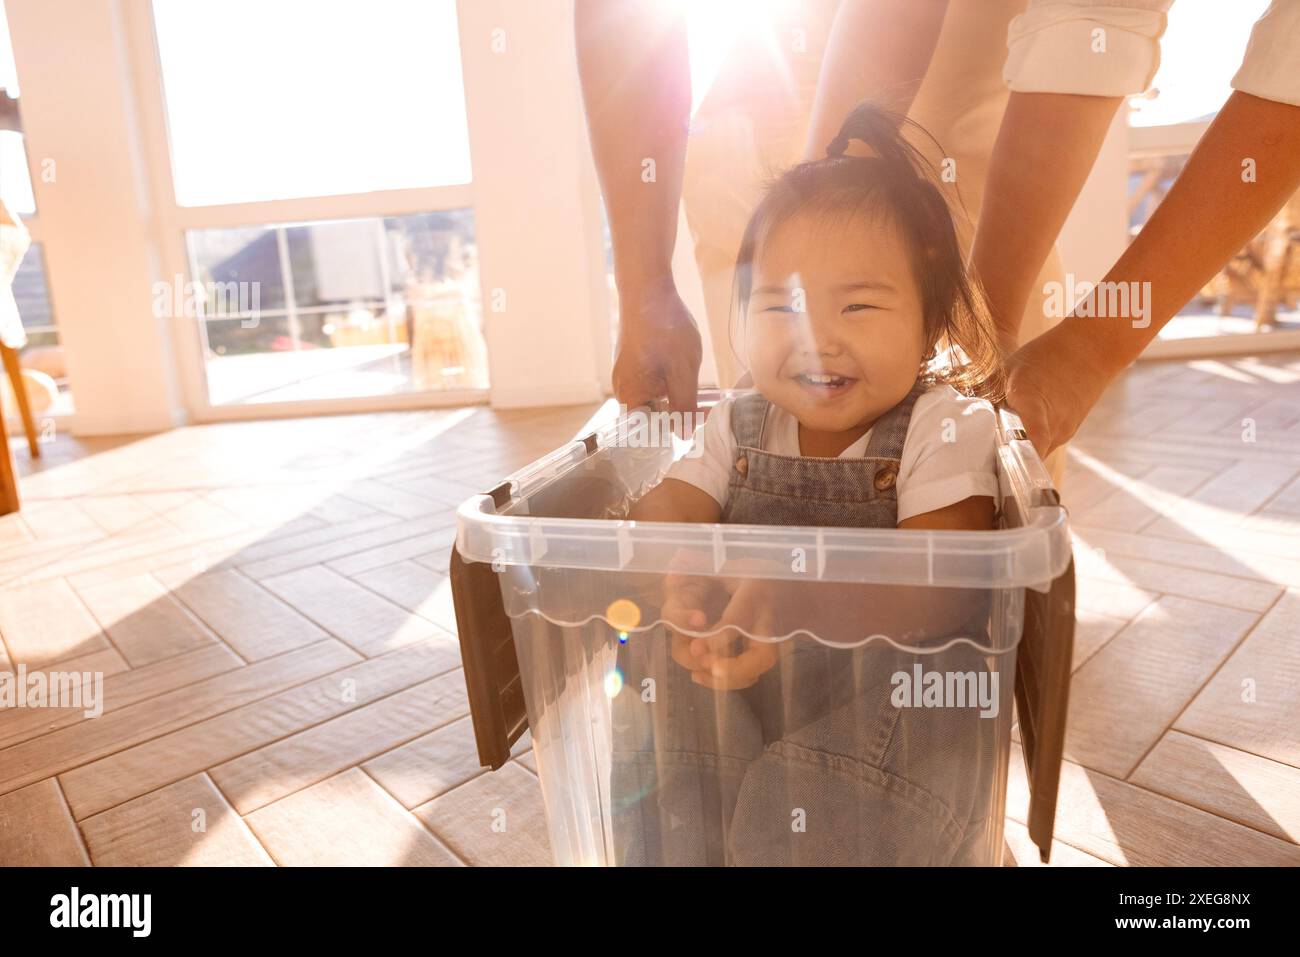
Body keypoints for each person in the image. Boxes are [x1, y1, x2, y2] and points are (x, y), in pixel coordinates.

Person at [611, 104, 1005, 865]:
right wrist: (678, 572)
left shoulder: (944, 426)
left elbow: (941, 586)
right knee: (659, 680)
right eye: (779, 306)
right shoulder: (737, 425)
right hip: (745, 713)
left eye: (857, 305)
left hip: (889, 747)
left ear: (928, 327)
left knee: (801, 809)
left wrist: (797, 598)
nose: (814, 337)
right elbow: (671, 512)